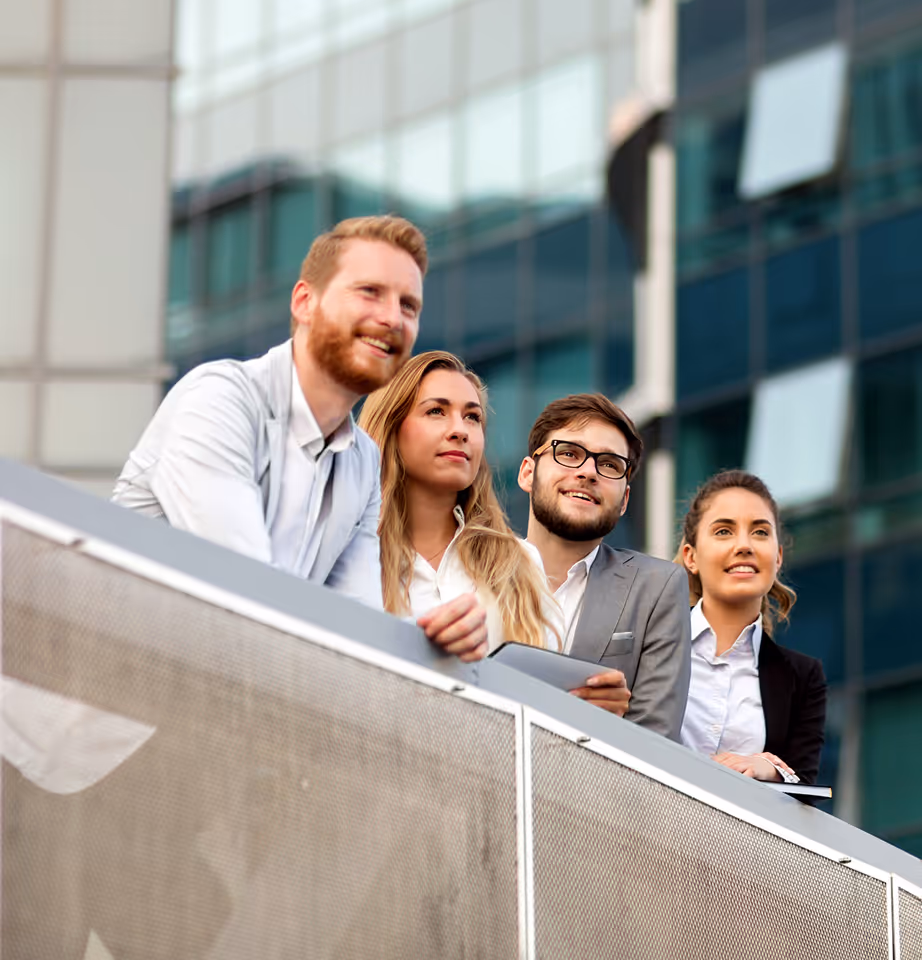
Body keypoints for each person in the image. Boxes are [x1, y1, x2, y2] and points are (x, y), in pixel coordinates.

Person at [113, 215, 484, 652]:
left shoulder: (362, 461)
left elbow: (356, 629)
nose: (391, 319)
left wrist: (430, 639)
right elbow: (247, 596)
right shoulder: (219, 400)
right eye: (370, 292)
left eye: (409, 306)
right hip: (109, 703)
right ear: (305, 302)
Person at [359, 351, 558, 660]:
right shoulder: (352, 552)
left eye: (473, 417)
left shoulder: (521, 563)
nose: (460, 431)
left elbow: (546, 689)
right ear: (392, 427)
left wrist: (589, 701)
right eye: (436, 411)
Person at [518, 395, 690, 740]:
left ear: (624, 500)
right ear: (528, 472)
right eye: (568, 453)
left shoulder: (657, 587)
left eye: (609, 465)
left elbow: (654, 741)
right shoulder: (470, 566)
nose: (587, 472)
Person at [676, 470, 826, 784]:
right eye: (723, 531)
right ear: (691, 557)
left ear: (778, 557)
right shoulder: (647, 642)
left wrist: (770, 769)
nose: (744, 545)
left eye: (759, 532)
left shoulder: (802, 677)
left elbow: (805, 787)